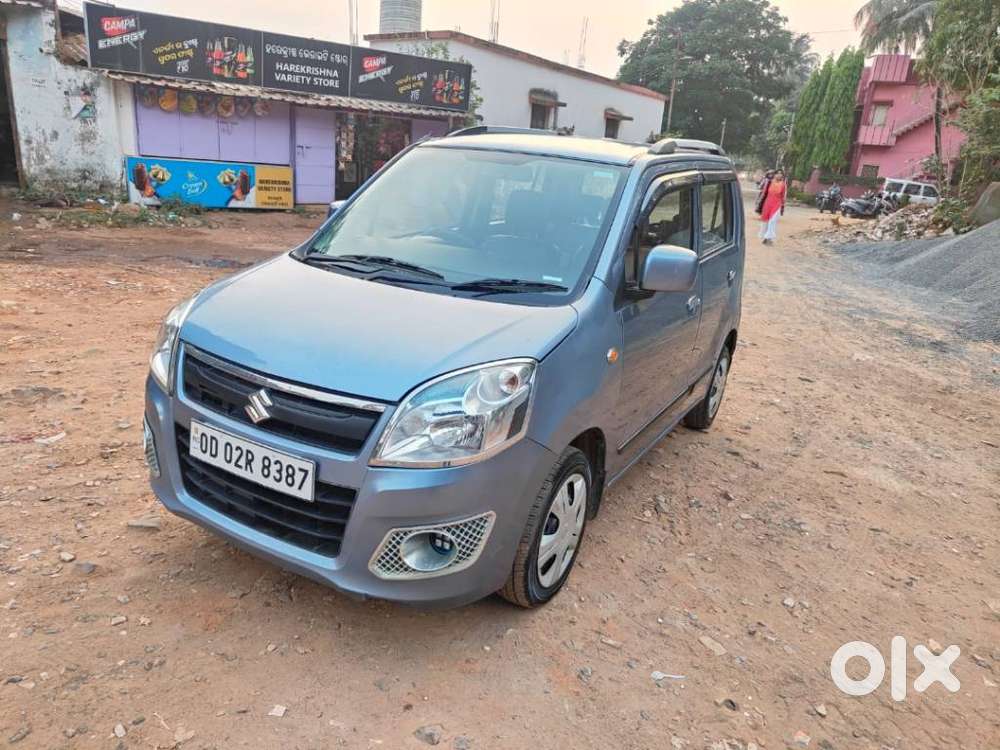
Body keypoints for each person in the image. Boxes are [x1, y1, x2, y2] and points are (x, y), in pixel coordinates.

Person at [758, 170, 786, 245]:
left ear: (782, 176)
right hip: (767, 203)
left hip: (777, 204)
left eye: (781, 174)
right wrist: (760, 203)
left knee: (772, 221)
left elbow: (783, 196)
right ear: (774, 175)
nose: (779, 175)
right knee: (765, 221)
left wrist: (783, 206)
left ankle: (769, 238)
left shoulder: (783, 184)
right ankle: (765, 237)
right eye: (778, 173)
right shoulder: (769, 182)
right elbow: (763, 192)